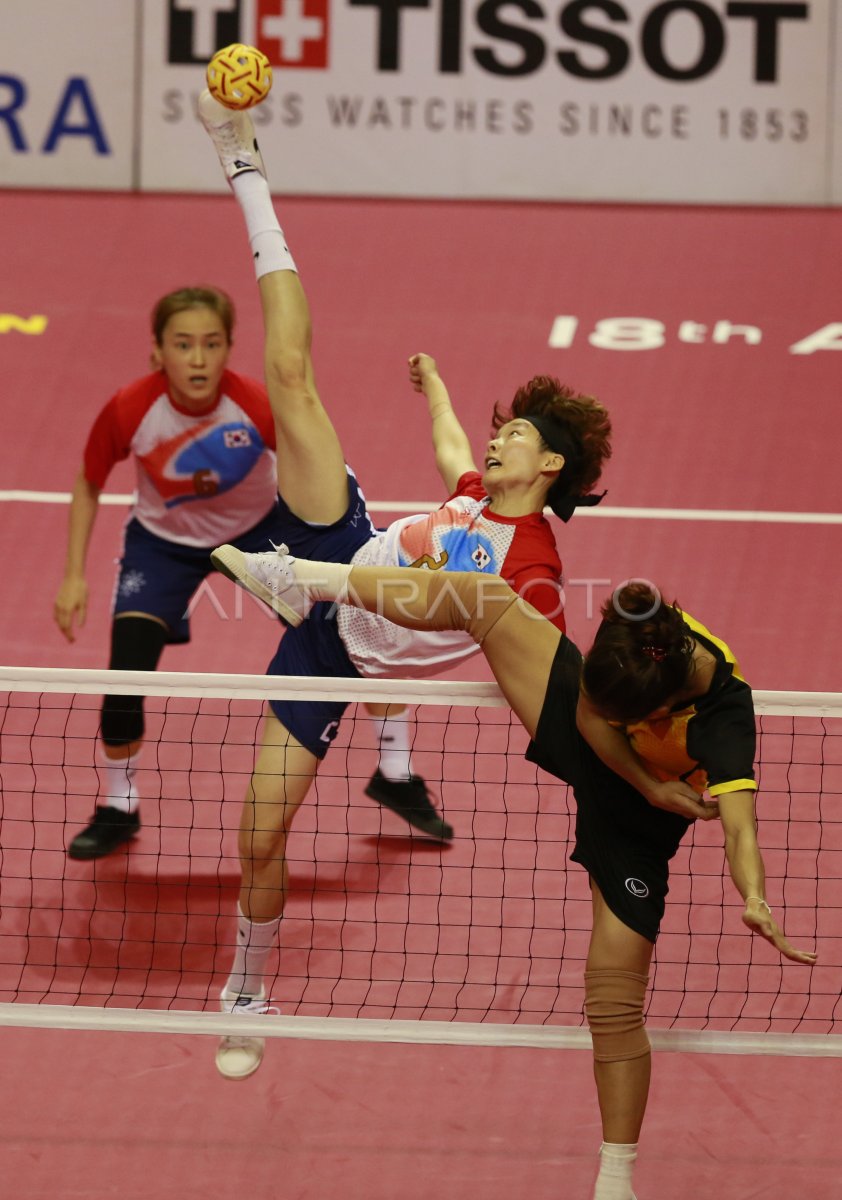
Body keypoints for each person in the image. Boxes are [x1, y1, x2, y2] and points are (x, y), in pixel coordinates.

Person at [196, 88, 612, 1079]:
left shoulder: (531, 569)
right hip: (339, 550)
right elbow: (453, 457)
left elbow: (461, 620)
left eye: (519, 433)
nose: (500, 434)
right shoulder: (479, 494)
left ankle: (298, 581)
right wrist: (437, 398)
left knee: (262, 835)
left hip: (331, 643)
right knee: (290, 377)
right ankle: (242, 159)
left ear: (546, 468)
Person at [221, 555, 817, 1199]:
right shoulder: (636, 631)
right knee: (481, 597)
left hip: (637, 826)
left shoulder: (726, 721)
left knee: (613, 1002)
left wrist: (754, 897)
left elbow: (739, 829)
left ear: (665, 704)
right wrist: (645, 773)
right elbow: (590, 713)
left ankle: (616, 1180)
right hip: (617, 762)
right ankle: (303, 578)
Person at [53, 285, 430, 860]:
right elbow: (87, 482)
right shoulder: (131, 409)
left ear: (229, 347)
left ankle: (396, 772)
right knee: (125, 675)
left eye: (210, 344)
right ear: (158, 351)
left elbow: (319, 464)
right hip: (162, 545)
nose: (198, 359)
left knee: (353, 625)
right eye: (183, 345)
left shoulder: (254, 405)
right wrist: (73, 575)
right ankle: (118, 804)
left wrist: (348, 541)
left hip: (259, 531)